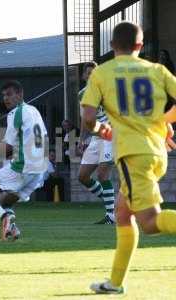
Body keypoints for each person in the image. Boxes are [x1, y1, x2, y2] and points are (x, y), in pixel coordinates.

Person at [81, 21, 176, 294]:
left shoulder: (101, 73)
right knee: (123, 214)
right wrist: (162, 119)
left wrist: (103, 130)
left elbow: (88, 119)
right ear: (140, 46)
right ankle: (115, 283)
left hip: (133, 155)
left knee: (149, 222)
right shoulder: (156, 70)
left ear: (111, 46)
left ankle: (115, 283)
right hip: (157, 151)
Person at [0, 80, 47, 241]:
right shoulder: (34, 110)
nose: (5, 98)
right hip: (38, 170)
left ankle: (5, 219)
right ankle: (12, 229)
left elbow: (6, 148)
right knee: (5, 203)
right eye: (3, 95)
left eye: (9, 94)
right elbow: (35, 139)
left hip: (23, 166)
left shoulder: (16, 113)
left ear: (20, 94)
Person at [78, 61, 115, 224]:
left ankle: (111, 215)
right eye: (89, 73)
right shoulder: (82, 94)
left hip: (109, 135)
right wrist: (81, 138)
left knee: (102, 174)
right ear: (84, 76)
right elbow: (84, 119)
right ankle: (112, 204)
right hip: (95, 138)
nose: (92, 75)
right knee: (83, 176)